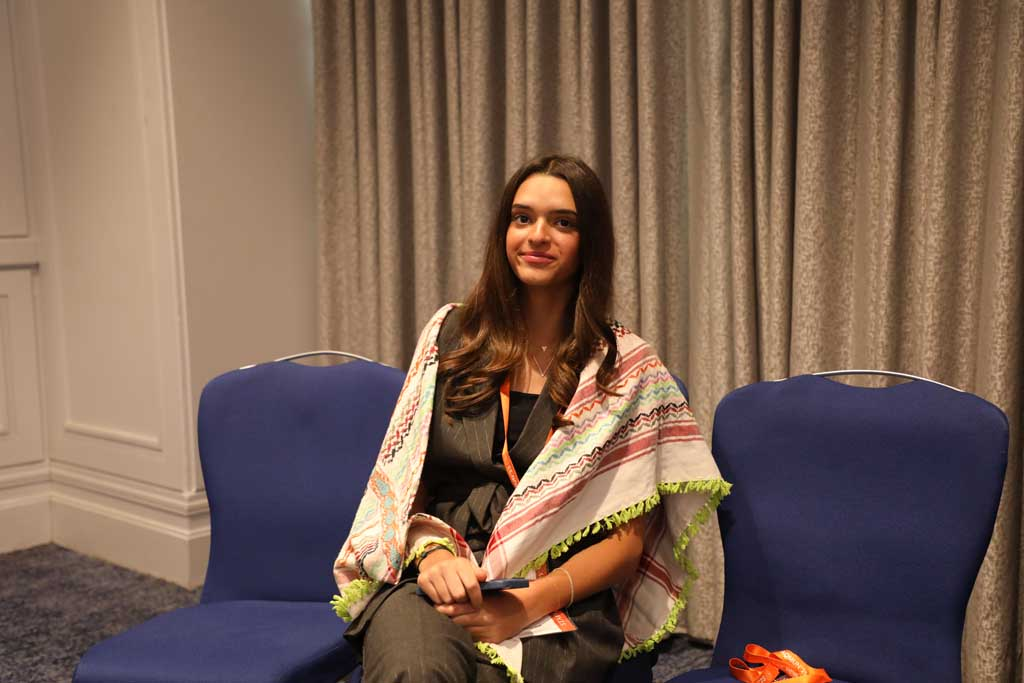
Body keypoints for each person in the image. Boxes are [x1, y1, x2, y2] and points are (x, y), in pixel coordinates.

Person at [333, 155, 729, 682]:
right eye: (522, 218)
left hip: (559, 595)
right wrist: (431, 558)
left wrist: (524, 606)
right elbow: (407, 485)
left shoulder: (625, 367)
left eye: (562, 222)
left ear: (589, 241)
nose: (537, 235)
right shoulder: (451, 336)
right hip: (441, 574)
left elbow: (627, 545)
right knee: (415, 670)